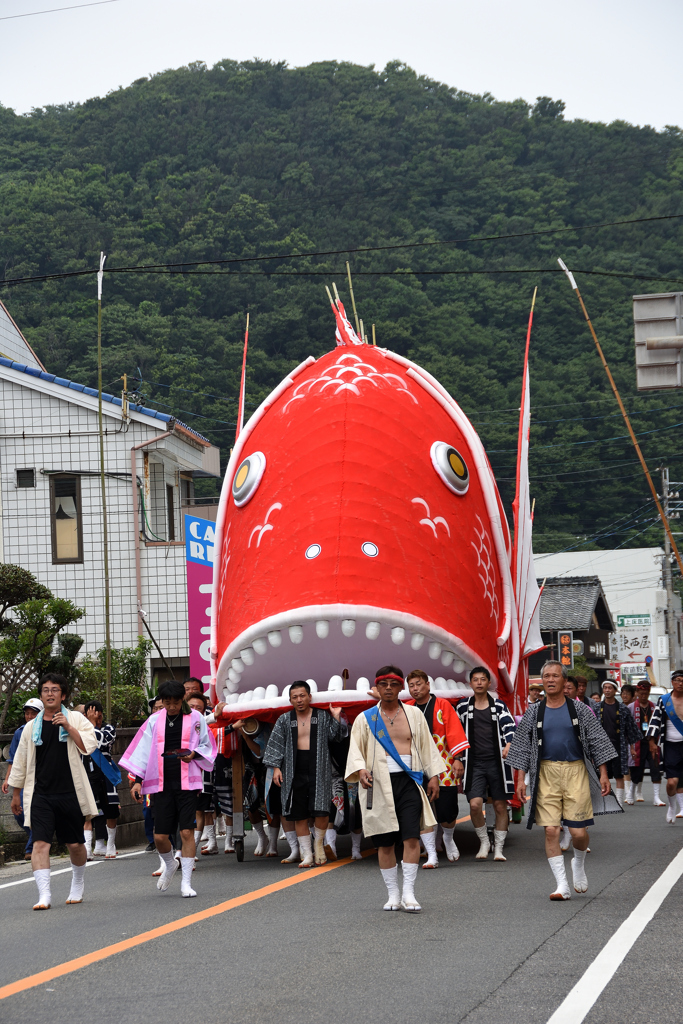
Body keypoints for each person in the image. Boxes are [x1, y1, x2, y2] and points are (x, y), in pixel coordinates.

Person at [507, 660, 620, 901]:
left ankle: (578, 863)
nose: (549, 680)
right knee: (551, 830)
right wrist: (520, 779)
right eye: (545, 676)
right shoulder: (534, 711)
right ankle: (562, 885)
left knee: (578, 833)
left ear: (564, 680)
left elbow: (597, 741)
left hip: (576, 771)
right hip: (545, 772)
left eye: (554, 676)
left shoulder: (579, 710)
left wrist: (603, 773)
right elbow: (521, 746)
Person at [345, 666, 446, 912]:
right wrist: (360, 771)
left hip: (409, 781)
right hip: (377, 784)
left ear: (401, 686)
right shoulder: (365, 718)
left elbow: (426, 746)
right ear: (376, 688)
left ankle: (409, 893)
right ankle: (393, 893)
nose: (388, 688)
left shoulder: (413, 714)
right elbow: (355, 752)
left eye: (393, 683)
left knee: (412, 837)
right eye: (383, 684)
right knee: (385, 843)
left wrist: (433, 776)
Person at [8, 673, 98, 910]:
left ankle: (77, 883)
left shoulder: (76, 718)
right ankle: (44, 895)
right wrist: (16, 793)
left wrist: (68, 726)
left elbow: (89, 746)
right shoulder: (31, 727)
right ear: (41, 695)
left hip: (70, 792)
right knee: (40, 843)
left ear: (63, 695)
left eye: (55, 689)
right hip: (40, 794)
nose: (50, 693)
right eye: (45, 689)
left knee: (76, 844)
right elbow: (20, 761)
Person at [121, 680, 216, 898]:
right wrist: (137, 780)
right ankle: (169, 863)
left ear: (182, 699)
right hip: (160, 783)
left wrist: (193, 754)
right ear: (161, 701)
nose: (171, 707)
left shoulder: (196, 718)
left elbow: (207, 745)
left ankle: (186, 882)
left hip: (187, 782)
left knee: (186, 831)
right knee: (160, 837)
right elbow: (142, 751)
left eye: (175, 702)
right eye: (167, 703)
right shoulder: (154, 720)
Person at [264, 681, 346, 867]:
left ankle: (318, 843)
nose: (299, 700)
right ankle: (307, 854)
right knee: (298, 813)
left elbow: (337, 737)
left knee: (322, 810)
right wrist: (276, 767)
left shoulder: (322, 716)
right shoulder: (285, 719)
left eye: (302, 696)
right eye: (295, 697)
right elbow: (275, 745)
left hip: (319, 767)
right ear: (290, 700)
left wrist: (336, 716)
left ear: (310, 697)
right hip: (293, 770)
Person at [405, 669, 469, 865]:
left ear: (428, 685)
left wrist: (458, 758)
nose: (415, 689)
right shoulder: (407, 707)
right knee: (420, 808)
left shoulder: (443, 705)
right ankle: (431, 852)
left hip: (443, 761)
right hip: (415, 764)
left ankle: (448, 838)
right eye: (411, 686)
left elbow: (454, 731)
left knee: (447, 809)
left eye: (418, 684)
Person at [455, 666, 516, 862]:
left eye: (483, 679)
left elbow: (509, 725)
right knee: (474, 805)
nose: (479, 682)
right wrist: (457, 757)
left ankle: (499, 847)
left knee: (499, 805)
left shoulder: (498, 705)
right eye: (476, 679)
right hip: (473, 763)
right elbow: (455, 733)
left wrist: (509, 743)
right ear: (470, 683)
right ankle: (484, 841)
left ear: (489, 683)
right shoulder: (463, 707)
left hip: (498, 762)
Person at [2, 697, 44, 859]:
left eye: (33, 713)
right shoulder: (20, 732)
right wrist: (7, 780)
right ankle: (35, 837)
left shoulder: (45, 730)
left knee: (36, 811)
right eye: (27, 713)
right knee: (19, 812)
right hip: (23, 778)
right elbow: (13, 759)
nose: (29, 716)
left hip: (41, 778)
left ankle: (30, 848)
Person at [81, 700, 121, 860]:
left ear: (100, 714)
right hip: (87, 772)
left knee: (111, 810)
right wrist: (89, 724)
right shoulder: (81, 729)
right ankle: (87, 849)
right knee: (88, 811)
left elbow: (100, 742)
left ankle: (110, 844)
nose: (92, 716)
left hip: (106, 773)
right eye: (88, 714)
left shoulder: (108, 728)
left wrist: (91, 725)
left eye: (94, 713)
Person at [646, 669, 683, 823]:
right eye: (678, 680)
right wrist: (651, 741)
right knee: (671, 782)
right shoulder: (664, 700)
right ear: (672, 682)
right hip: (671, 746)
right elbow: (655, 720)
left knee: (681, 780)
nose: (680, 683)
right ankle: (672, 806)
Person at [597, 679, 639, 808]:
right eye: (605, 688)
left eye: (610, 688)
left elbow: (630, 729)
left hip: (618, 745)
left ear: (615, 691)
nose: (607, 690)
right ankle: (604, 801)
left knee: (619, 774)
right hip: (601, 746)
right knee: (602, 774)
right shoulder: (597, 707)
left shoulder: (622, 708)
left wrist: (632, 747)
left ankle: (619, 801)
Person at [627, 681, 665, 806]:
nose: (644, 696)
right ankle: (630, 793)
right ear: (637, 693)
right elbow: (628, 729)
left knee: (655, 768)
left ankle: (656, 797)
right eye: (641, 693)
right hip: (638, 743)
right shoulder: (631, 707)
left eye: (646, 693)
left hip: (652, 742)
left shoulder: (654, 707)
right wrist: (631, 747)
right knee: (637, 770)